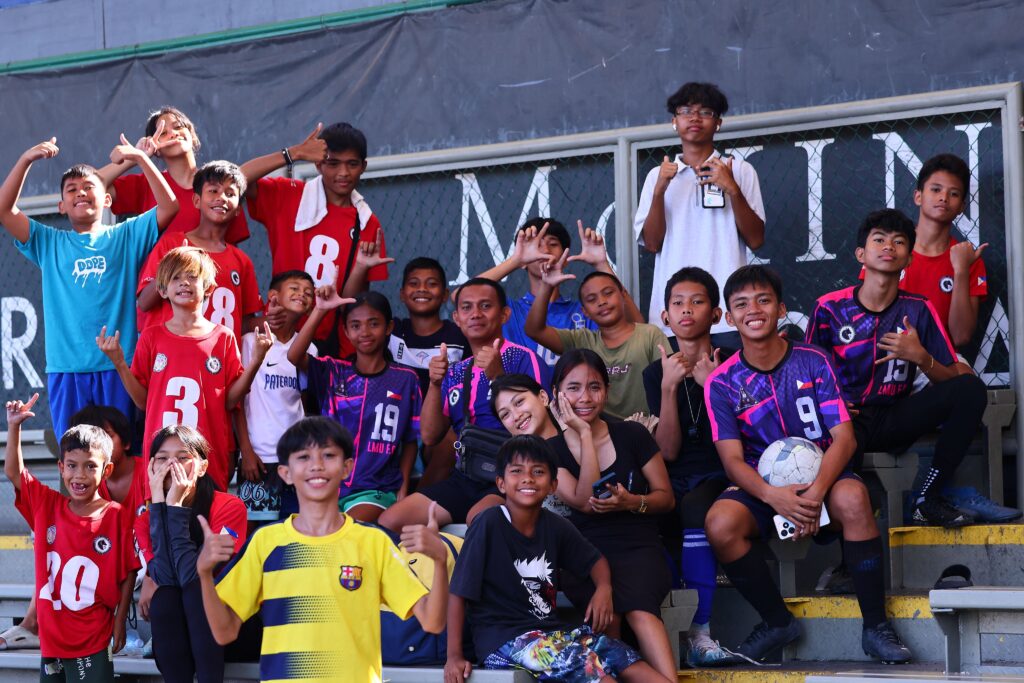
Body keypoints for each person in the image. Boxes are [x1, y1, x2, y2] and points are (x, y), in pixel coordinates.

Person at [704, 265, 911, 664]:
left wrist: (814, 495)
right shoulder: (722, 382)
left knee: (852, 498)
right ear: (728, 317)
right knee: (719, 524)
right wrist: (774, 497)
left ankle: (875, 627)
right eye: (741, 304)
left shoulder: (814, 360)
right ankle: (777, 621)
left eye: (763, 300)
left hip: (824, 479)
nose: (754, 310)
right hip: (763, 490)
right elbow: (731, 460)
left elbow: (845, 437)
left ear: (781, 309)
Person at [197, 417, 450, 683]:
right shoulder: (265, 542)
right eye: (304, 457)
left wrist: (440, 560)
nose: (316, 465)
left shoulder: (373, 542)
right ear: (285, 472)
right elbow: (224, 632)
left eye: (328, 455)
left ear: (347, 468)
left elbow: (432, 622)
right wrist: (204, 574)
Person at [807, 209, 1003, 526]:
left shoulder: (918, 308)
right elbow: (806, 376)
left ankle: (927, 497)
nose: (889, 247)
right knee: (843, 457)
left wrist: (920, 357)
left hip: (894, 415)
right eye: (880, 240)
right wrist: (834, 405)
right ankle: (844, 554)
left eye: (899, 242)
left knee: (970, 389)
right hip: (847, 421)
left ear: (908, 259)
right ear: (861, 253)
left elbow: (951, 376)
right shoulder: (829, 308)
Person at [446, 435, 672, 683]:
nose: (527, 478)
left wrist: (604, 589)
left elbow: (596, 562)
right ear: (500, 483)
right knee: (596, 674)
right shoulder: (489, 523)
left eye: (538, 471)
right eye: (517, 471)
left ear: (553, 485)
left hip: (550, 634)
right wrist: (454, 656)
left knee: (620, 655)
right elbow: (458, 592)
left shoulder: (555, 525)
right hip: (505, 641)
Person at [0, 135, 178, 438]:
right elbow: (5, 210)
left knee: (121, 454)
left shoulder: (125, 236)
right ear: (61, 205)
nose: (81, 193)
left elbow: (170, 206)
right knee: (75, 456)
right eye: (72, 190)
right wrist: (26, 159)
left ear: (107, 199)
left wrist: (139, 158)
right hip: (66, 370)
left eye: (89, 188)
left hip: (117, 368)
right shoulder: (49, 242)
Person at [546, 350, 678, 680]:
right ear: (557, 393)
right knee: (609, 616)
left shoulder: (633, 435)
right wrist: (585, 434)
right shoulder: (551, 451)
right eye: (573, 388)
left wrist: (632, 502)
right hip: (584, 553)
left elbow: (666, 498)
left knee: (639, 609)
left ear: (607, 391)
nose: (585, 397)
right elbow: (584, 501)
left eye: (594, 387)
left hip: (638, 546)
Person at [96, 246, 273, 490]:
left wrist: (255, 362)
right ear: (162, 289)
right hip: (161, 458)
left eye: (192, 276)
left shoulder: (223, 337)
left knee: (204, 523)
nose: (184, 283)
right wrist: (118, 362)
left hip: (207, 457)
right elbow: (142, 401)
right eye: (175, 277)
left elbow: (231, 401)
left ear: (209, 287)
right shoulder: (151, 336)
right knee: (164, 522)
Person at [379, 278, 549, 530]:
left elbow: (543, 425)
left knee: (480, 520)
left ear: (504, 314)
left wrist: (497, 376)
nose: (475, 314)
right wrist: (435, 384)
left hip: (514, 473)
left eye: (485, 306)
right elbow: (429, 435)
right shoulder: (457, 370)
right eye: (467, 308)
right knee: (390, 521)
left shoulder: (523, 358)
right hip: (466, 476)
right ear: (457, 318)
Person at [5, 394, 139, 682]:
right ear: (60, 468)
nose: (80, 475)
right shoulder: (46, 505)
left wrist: (120, 620)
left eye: (91, 466)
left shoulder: (116, 515)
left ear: (107, 470)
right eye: (72, 465)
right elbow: (14, 472)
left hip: (93, 636)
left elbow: (129, 570)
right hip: (53, 639)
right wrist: (14, 427)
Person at [641, 267, 736, 666]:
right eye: (677, 303)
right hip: (677, 472)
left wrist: (713, 383)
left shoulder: (732, 359)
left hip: (723, 469)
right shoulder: (655, 371)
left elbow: (735, 441)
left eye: (697, 302)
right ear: (664, 316)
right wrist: (667, 387)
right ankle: (666, 627)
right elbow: (668, 451)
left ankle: (700, 631)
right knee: (648, 515)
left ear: (715, 314)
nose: (686, 310)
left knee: (696, 507)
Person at [634, 82, 765, 341]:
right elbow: (651, 243)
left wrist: (733, 190)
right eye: (686, 111)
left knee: (728, 381)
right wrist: (660, 191)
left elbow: (756, 239)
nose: (694, 118)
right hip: (673, 316)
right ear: (674, 121)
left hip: (728, 314)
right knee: (676, 381)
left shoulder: (739, 170)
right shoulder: (656, 175)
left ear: (718, 123)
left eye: (705, 112)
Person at [241, 122, 385, 357]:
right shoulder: (288, 195)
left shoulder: (367, 222)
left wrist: (360, 268)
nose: (343, 173)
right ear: (318, 164)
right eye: (333, 163)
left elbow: (352, 299)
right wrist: (293, 154)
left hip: (329, 345)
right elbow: (237, 178)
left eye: (352, 164)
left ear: (363, 166)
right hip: (278, 332)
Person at [288, 287, 423, 523]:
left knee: (348, 530)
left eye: (374, 323)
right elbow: (294, 356)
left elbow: (410, 440)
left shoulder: (405, 379)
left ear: (389, 327)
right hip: (329, 484)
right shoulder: (334, 372)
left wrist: (402, 488)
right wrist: (320, 310)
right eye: (356, 325)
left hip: (374, 489)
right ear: (346, 332)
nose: (365, 332)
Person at [135, 425, 247, 683]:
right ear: (151, 467)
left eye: (183, 457)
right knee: (165, 597)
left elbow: (194, 577)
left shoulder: (229, 507)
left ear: (203, 467)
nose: (172, 465)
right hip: (183, 631)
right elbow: (166, 577)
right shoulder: (144, 520)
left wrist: (173, 506)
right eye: (162, 458)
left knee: (197, 591)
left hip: (231, 628)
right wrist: (163, 505)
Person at [475, 217, 641, 369]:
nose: (545, 250)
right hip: (523, 398)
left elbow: (638, 328)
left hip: (579, 398)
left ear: (565, 258)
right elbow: (462, 295)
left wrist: (602, 264)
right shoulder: (509, 311)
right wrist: (515, 261)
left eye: (553, 244)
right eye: (537, 245)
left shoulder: (585, 311)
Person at [135, 160, 263, 337]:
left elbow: (244, 323)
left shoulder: (242, 261)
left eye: (230, 193)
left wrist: (277, 318)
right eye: (213, 191)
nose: (221, 197)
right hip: (172, 359)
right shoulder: (171, 244)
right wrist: (173, 264)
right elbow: (144, 303)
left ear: (238, 210)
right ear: (196, 200)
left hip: (220, 360)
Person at [526, 265, 668, 419]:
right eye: (592, 299)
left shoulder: (649, 334)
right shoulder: (581, 340)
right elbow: (534, 330)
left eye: (608, 293)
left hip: (647, 427)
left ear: (623, 296)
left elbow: (669, 381)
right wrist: (546, 286)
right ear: (585, 312)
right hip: (599, 432)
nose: (601, 302)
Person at [235, 270, 316, 529]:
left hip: (295, 457)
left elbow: (306, 403)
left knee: (294, 530)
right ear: (273, 296)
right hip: (259, 459)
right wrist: (246, 451)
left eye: (308, 293)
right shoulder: (248, 342)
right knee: (256, 534)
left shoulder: (309, 348)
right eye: (294, 288)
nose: (302, 294)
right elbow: (238, 402)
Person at [97, 106, 249, 243]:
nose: (173, 133)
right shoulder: (146, 183)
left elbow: (229, 249)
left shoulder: (222, 188)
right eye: (163, 133)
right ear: (155, 147)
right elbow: (89, 186)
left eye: (178, 127)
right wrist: (137, 157)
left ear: (192, 135)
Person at [388, 256, 468, 486]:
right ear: (402, 294)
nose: (422, 289)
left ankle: (422, 499)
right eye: (414, 283)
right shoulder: (393, 331)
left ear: (445, 295)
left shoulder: (458, 335)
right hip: (399, 427)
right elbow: (358, 311)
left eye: (431, 283)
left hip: (441, 431)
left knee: (453, 439)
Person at [903, 154, 987, 347]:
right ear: (918, 196)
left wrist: (961, 270)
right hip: (890, 357)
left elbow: (961, 336)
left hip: (941, 362)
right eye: (935, 189)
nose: (944, 198)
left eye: (954, 194)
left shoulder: (969, 259)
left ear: (961, 207)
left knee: (966, 378)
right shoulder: (890, 248)